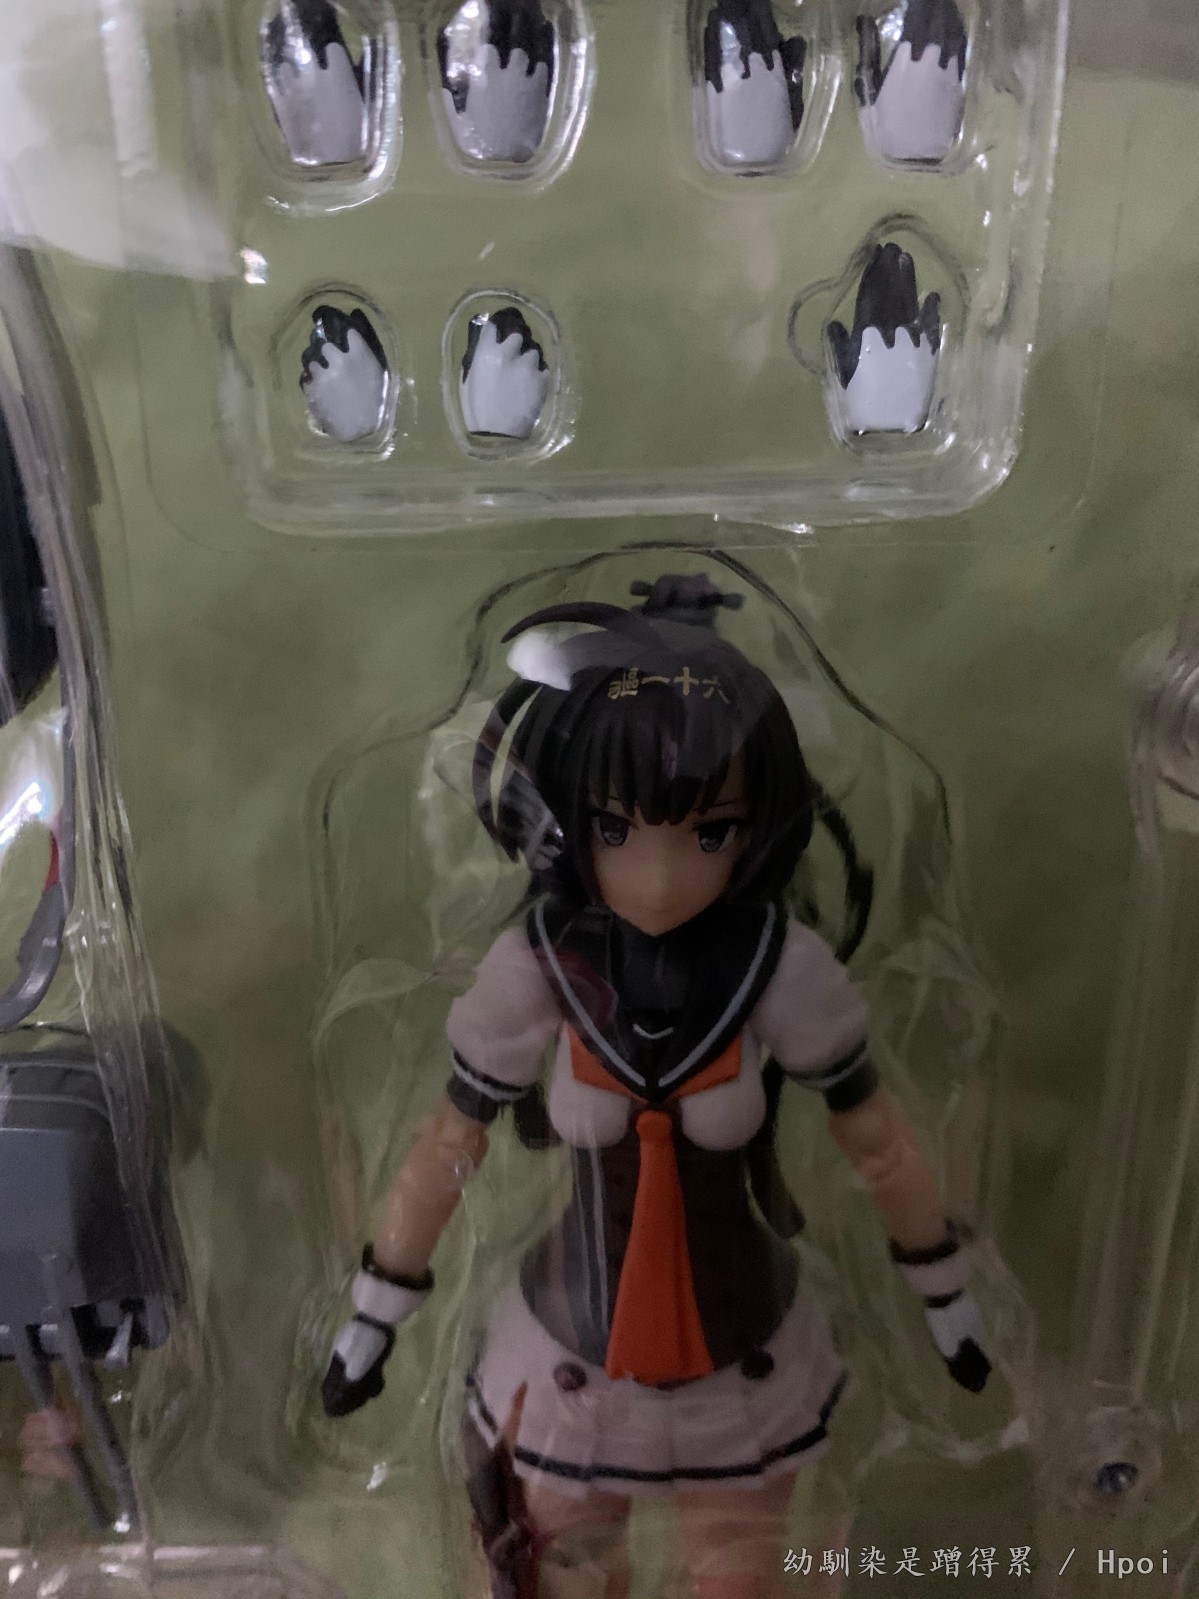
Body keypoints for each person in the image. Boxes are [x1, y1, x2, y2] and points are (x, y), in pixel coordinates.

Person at [322, 573, 991, 1599]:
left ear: (757, 823)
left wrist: (945, 1295)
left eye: (709, 832)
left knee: (740, 1581)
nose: (663, 877)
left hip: (742, 1358)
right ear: (565, 820)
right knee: (558, 1575)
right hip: (568, 1355)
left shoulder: (777, 964)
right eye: (615, 829)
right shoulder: (539, 966)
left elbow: (879, 1140)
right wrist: (374, 1313)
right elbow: (446, 1145)